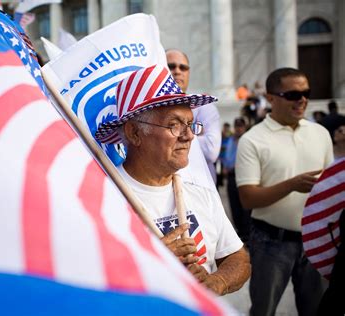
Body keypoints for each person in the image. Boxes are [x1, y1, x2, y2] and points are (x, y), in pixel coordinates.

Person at [95, 65, 250, 296]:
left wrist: (216, 282)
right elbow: (88, 283)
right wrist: (149, 263)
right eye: (174, 125)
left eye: (190, 124)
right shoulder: (101, 201)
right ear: (134, 133)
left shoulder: (201, 194)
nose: (188, 136)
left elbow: (239, 258)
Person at [235, 67, 334, 316]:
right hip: (270, 242)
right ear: (270, 98)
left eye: (306, 93)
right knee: (264, 310)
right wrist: (291, 185)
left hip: (317, 240)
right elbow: (247, 198)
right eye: (292, 94)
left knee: (317, 309)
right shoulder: (252, 140)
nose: (301, 100)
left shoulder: (320, 133)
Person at [166, 49, 221, 184]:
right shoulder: (149, 110)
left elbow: (211, 150)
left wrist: (168, 136)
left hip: (201, 190)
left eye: (183, 67)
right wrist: (198, 135)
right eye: (171, 66)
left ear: (188, 72)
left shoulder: (206, 107)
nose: (177, 71)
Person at [222, 117, 251, 244]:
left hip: (243, 175)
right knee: (234, 205)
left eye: (241, 126)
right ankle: (240, 231)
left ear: (244, 127)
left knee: (244, 206)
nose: (239, 128)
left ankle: (246, 233)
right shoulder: (230, 140)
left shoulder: (247, 140)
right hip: (231, 175)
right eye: (237, 126)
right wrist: (224, 166)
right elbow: (224, 155)